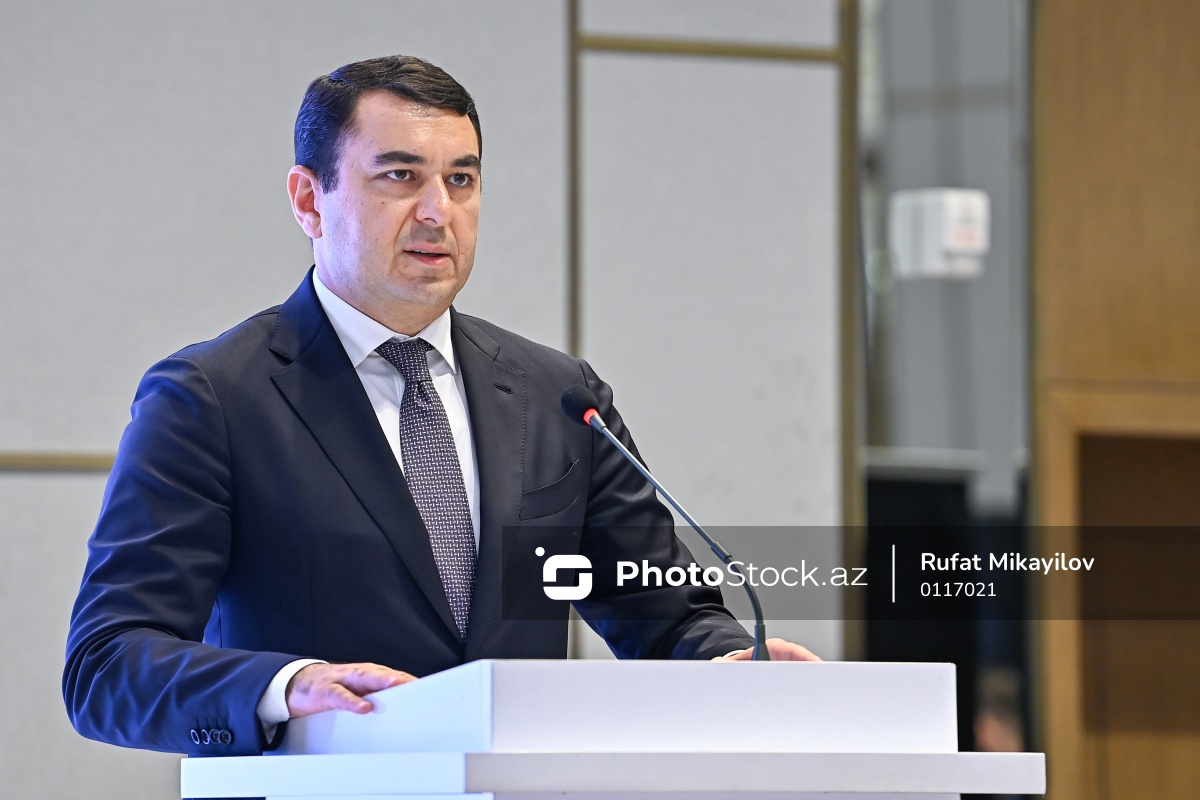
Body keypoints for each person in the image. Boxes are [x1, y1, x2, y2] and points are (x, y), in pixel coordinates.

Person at [63, 55, 818, 758]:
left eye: (462, 179)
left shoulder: (558, 396)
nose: (438, 211)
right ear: (309, 199)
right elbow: (107, 663)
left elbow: (667, 616)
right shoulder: (211, 398)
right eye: (400, 176)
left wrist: (726, 662)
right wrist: (286, 687)